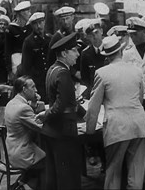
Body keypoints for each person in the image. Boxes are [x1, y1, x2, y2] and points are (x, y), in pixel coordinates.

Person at [84, 35, 145, 189]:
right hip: (139, 126)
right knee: (136, 176)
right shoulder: (137, 71)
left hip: (117, 128)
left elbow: (93, 108)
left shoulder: (102, 73)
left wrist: (89, 131)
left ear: (107, 56)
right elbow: (140, 100)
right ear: (121, 51)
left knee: (113, 173)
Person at [38, 32, 82, 190]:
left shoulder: (53, 69)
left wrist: (84, 113)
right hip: (63, 130)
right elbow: (60, 105)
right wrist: (45, 115)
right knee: (67, 176)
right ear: (64, 53)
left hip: (52, 130)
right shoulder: (63, 73)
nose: (77, 54)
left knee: (55, 174)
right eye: (74, 50)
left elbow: (67, 101)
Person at [5, 76, 46, 190]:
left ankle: (22, 182)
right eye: (33, 87)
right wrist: (47, 115)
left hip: (12, 149)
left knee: (41, 158)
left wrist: (33, 102)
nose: (36, 90)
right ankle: (25, 187)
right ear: (24, 89)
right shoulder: (22, 108)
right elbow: (40, 127)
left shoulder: (12, 103)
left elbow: (27, 118)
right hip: (22, 153)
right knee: (49, 161)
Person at [124, 17, 145, 108]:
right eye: (130, 35)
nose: (132, 37)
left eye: (135, 34)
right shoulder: (127, 54)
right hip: (133, 100)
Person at [21, 12, 52, 103]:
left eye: (41, 22)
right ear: (32, 26)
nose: (39, 26)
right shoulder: (28, 41)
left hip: (50, 79)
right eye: (35, 24)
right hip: (37, 81)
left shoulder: (49, 38)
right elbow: (26, 66)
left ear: (44, 22)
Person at [5, 1, 32, 83]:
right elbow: (7, 50)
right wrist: (9, 70)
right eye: (27, 11)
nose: (30, 14)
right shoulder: (10, 29)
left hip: (29, 59)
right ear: (21, 13)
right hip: (16, 60)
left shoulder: (30, 27)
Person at [80, 18, 106, 99]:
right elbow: (85, 78)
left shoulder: (110, 49)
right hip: (93, 94)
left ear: (101, 31)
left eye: (96, 32)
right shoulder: (86, 54)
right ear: (87, 37)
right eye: (91, 35)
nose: (94, 37)